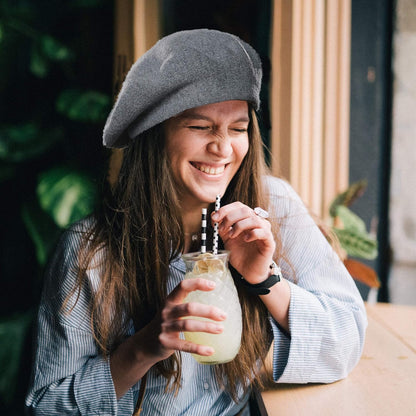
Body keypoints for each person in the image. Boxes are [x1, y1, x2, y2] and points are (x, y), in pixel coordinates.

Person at [26, 29, 367, 416]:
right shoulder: (91, 250)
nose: (222, 147)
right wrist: (144, 347)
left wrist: (264, 281)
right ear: (156, 135)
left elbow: (347, 341)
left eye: (237, 128)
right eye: (200, 126)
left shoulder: (271, 206)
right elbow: (47, 406)